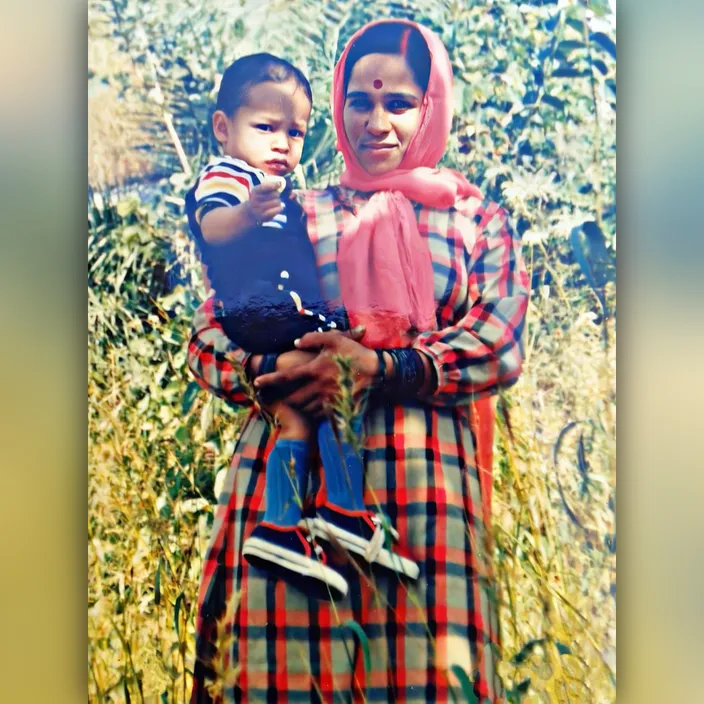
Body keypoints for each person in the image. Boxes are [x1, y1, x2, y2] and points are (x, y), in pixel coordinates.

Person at [186, 19, 529, 704]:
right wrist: (279, 372)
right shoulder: (291, 214)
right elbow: (208, 335)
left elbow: (497, 340)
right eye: (359, 103)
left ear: (431, 109)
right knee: (279, 681)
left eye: (399, 104)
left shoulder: (474, 222)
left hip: (426, 499)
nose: (377, 122)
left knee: (426, 681)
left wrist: (384, 368)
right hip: (289, 509)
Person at [184, 53, 419, 602]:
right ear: (224, 128)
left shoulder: (282, 191)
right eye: (265, 127)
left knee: (297, 413)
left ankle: (282, 525)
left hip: (285, 313)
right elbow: (212, 228)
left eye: (295, 131)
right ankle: (342, 508)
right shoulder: (237, 181)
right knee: (332, 379)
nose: (282, 143)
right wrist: (247, 214)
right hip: (264, 314)